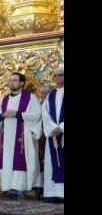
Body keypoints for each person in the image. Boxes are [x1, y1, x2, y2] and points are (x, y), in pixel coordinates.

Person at [0, 73, 42, 199]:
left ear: (22, 83)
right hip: (6, 136)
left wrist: (19, 114)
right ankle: (7, 187)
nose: (11, 83)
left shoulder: (30, 98)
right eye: (10, 80)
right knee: (7, 160)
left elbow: (37, 115)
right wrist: (2, 115)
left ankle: (20, 189)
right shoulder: (4, 99)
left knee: (20, 160)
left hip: (23, 135)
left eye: (15, 80)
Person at [42, 67, 64, 203]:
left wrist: (61, 127)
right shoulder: (50, 95)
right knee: (52, 163)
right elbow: (44, 113)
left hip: (62, 133)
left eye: (60, 75)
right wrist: (52, 127)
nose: (57, 78)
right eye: (55, 75)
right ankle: (52, 193)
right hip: (53, 135)